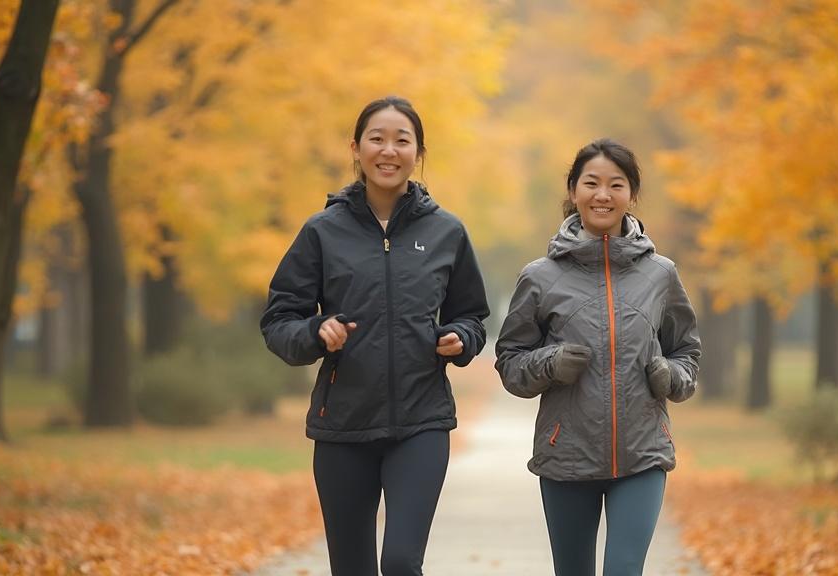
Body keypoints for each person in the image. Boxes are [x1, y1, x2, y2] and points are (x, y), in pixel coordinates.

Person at [260, 96, 489, 576]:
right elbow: (280, 319)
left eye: (402, 140)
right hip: (343, 425)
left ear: (418, 152)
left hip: (421, 421)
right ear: (356, 149)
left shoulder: (447, 232)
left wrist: (460, 340)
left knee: (402, 563)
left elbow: (470, 316)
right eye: (377, 139)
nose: (389, 150)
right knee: (352, 568)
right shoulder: (322, 232)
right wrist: (314, 333)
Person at [495, 138, 700, 576]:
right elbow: (511, 361)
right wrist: (549, 363)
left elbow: (686, 350)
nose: (603, 195)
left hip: (642, 454)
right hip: (565, 454)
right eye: (591, 183)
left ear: (631, 195)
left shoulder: (660, 274)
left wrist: (671, 375)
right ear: (573, 191)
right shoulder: (540, 276)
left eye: (616, 184)